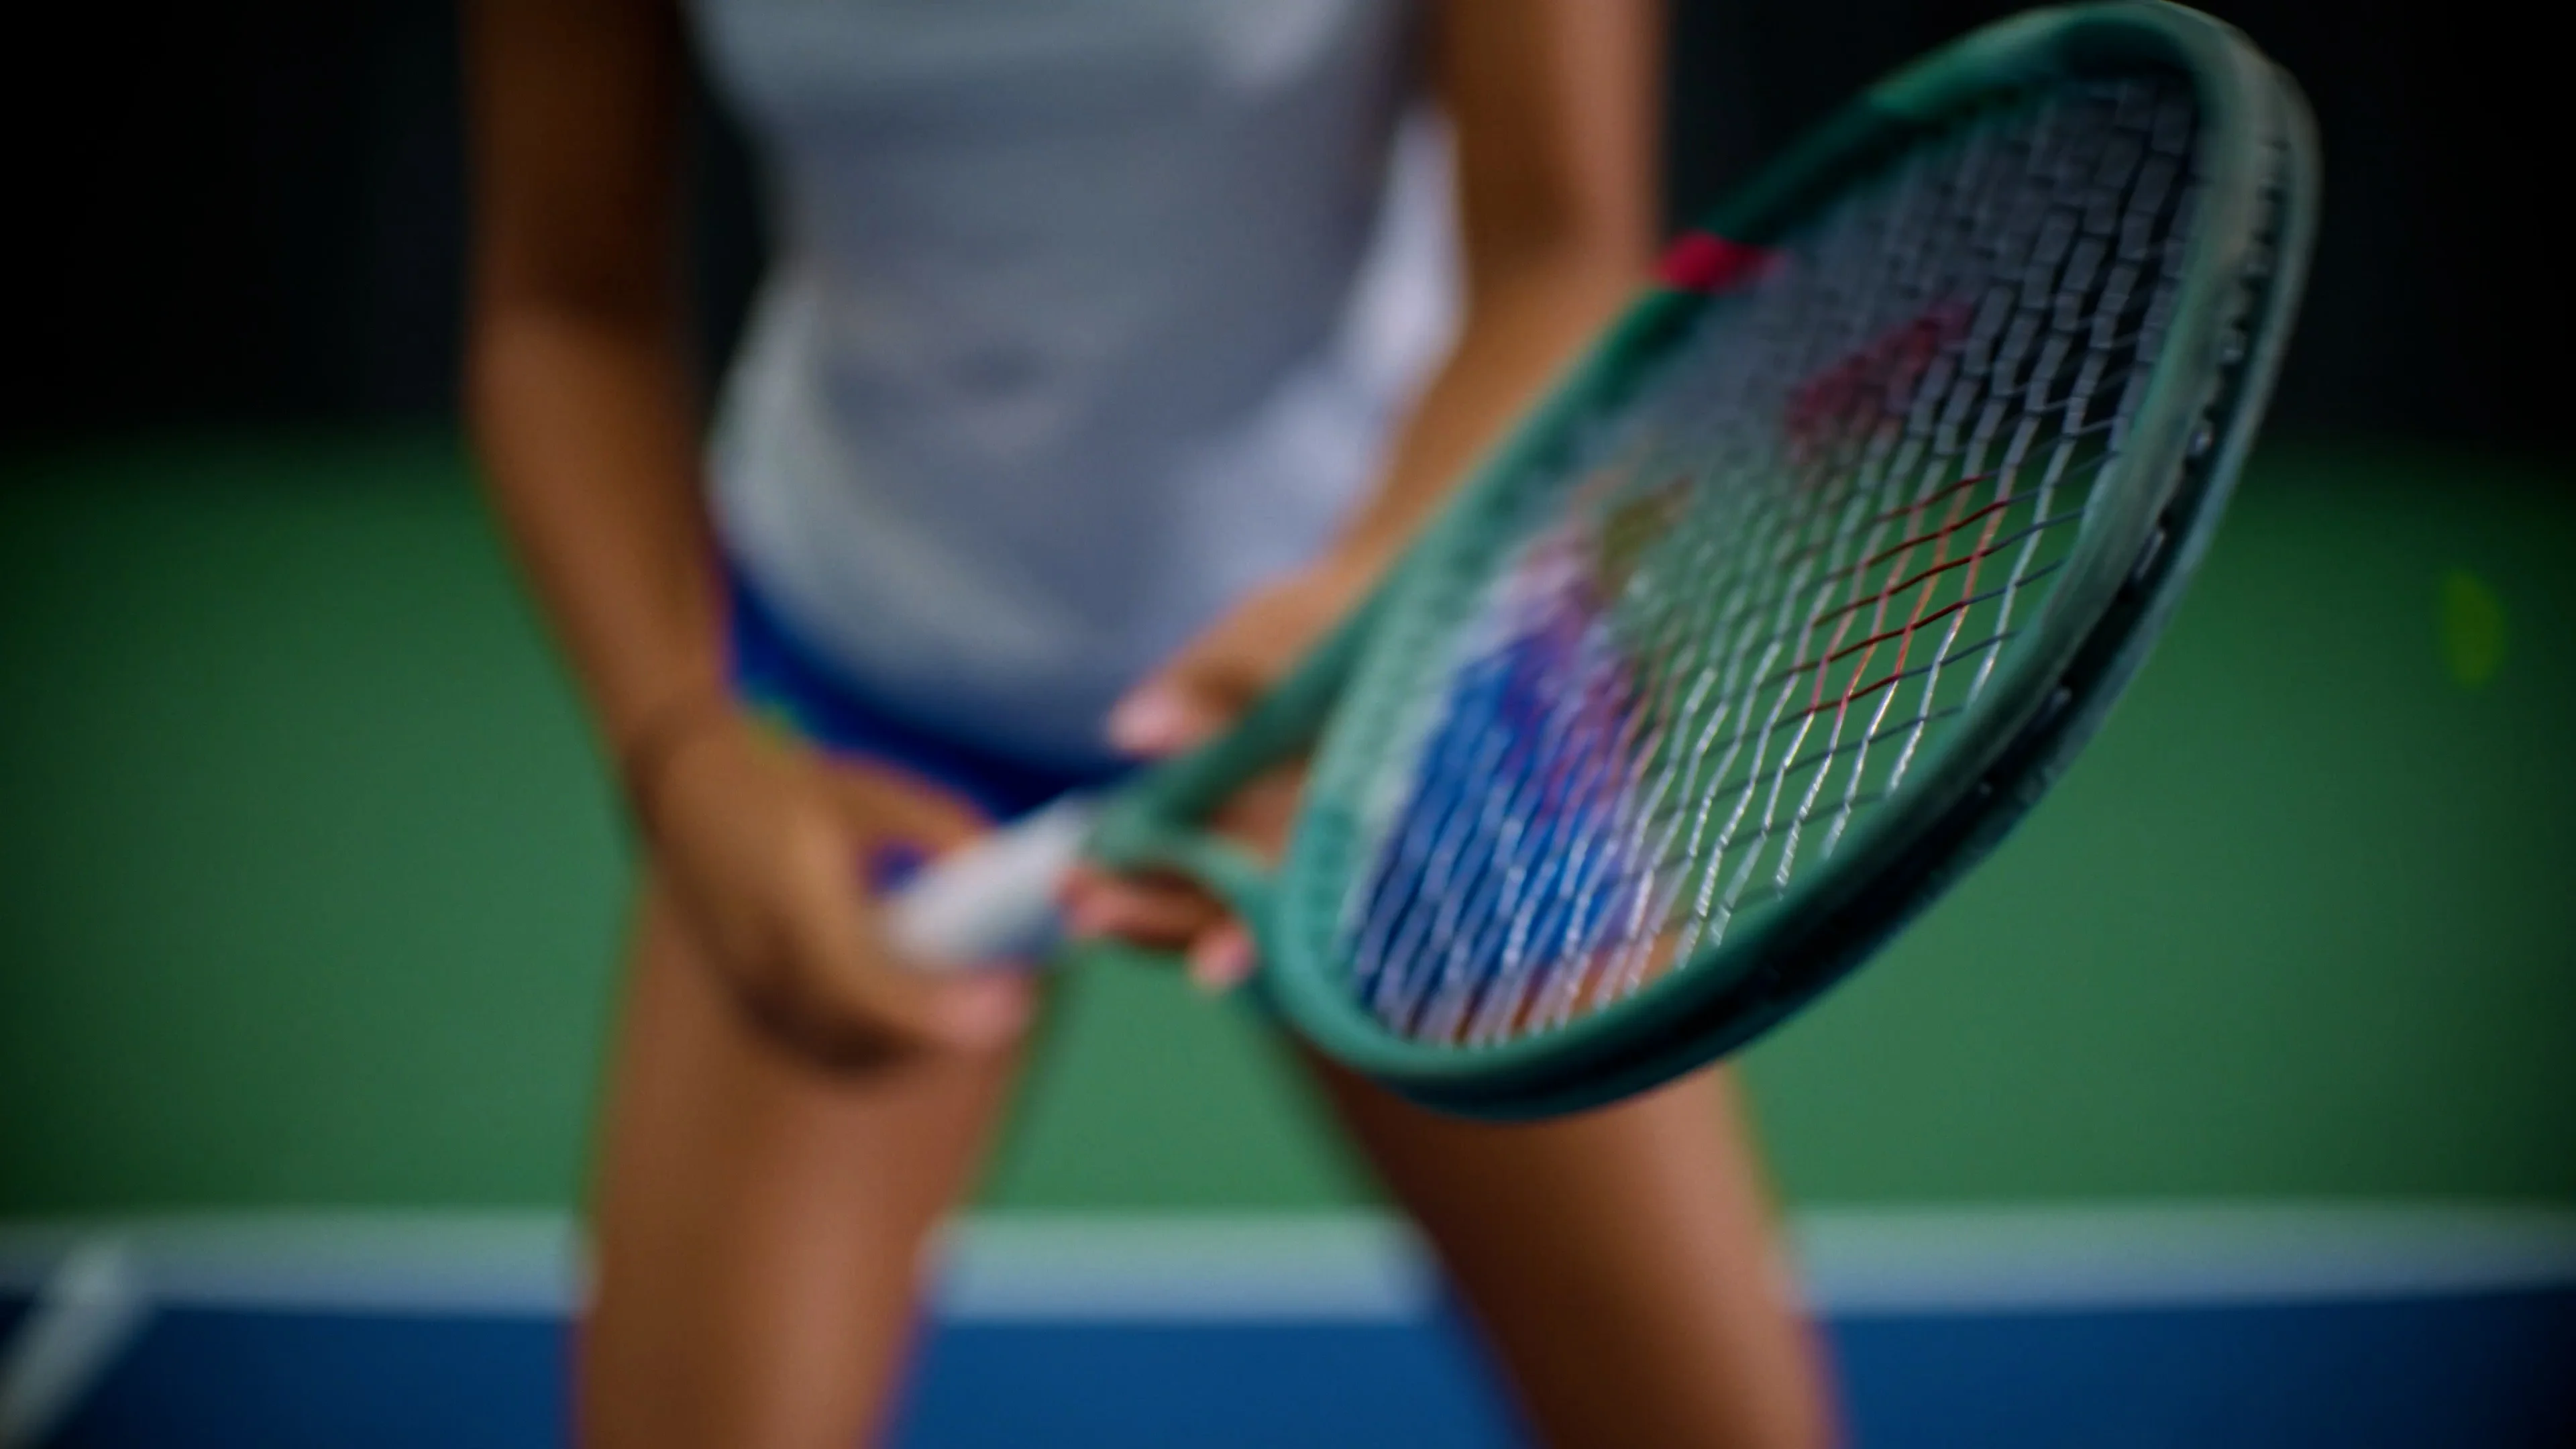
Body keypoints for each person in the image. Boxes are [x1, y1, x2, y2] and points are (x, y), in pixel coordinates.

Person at [462, 1, 1835, 1444]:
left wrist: (1377, 603)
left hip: (1399, 664)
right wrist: (683, 754)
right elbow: (563, 311)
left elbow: (1565, 251)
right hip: (857, 685)